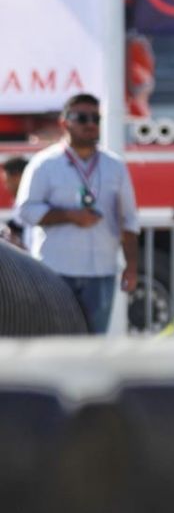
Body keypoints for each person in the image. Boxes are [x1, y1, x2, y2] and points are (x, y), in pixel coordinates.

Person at [15, 93, 140, 334]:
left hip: (100, 271)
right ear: (65, 123)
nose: (90, 124)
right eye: (82, 118)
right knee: (55, 341)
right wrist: (70, 216)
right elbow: (26, 211)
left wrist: (132, 266)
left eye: (96, 118)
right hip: (55, 271)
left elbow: (129, 219)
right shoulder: (44, 163)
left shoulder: (114, 166)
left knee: (93, 345)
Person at [2, 156, 29, 250]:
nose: (6, 187)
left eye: (7, 181)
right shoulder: (20, 202)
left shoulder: (30, 203)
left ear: (17, 177)